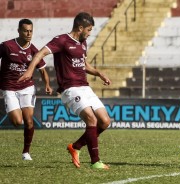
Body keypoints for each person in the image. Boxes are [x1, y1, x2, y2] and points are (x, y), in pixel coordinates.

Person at [18, 12, 111, 169]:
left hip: (85, 87)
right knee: (92, 120)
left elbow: (84, 64)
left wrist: (99, 73)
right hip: (70, 89)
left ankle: (75, 147)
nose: (89, 34)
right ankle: (95, 162)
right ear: (80, 27)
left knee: (105, 121)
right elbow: (40, 53)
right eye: (88, 30)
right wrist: (29, 71)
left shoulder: (83, 42)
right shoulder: (61, 40)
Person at [0, 19, 53, 160]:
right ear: (18, 31)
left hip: (27, 87)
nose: (29, 33)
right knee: (18, 122)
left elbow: (42, 70)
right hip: (9, 87)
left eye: (31, 31)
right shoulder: (7, 46)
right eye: (25, 31)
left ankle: (26, 152)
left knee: (29, 121)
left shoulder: (34, 50)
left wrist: (47, 84)